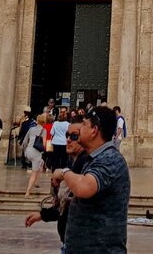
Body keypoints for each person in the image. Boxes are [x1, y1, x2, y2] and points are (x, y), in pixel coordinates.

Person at [52, 105, 130, 253]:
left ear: (94, 130)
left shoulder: (110, 159)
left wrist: (64, 173)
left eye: (84, 124)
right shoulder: (94, 158)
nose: (79, 129)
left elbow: (84, 188)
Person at [25, 115, 90, 246]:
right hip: (69, 240)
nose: (68, 139)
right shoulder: (72, 162)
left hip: (79, 242)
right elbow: (64, 206)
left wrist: (64, 175)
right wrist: (42, 215)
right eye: (67, 135)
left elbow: (74, 203)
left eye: (74, 136)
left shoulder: (86, 165)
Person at [20, 112, 45, 195]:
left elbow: (24, 142)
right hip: (36, 153)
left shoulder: (31, 129)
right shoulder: (43, 130)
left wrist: (25, 152)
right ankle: (28, 192)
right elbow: (44, 144)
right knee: (34, 173)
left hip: (28, 151)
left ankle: (36, 182)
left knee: (41, 163)